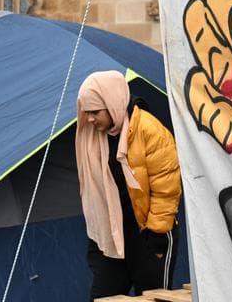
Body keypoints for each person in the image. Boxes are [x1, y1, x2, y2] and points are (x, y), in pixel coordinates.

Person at [76, 71, 181, 297]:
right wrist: (97, 243)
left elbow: (166, 188)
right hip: (113, 234)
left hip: (149, 233)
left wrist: (157, 236)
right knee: (102, 297)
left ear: (112, 104)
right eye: (87, 113)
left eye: (95, 112)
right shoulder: (95, 137)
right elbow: (96, 194)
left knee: (153, 298)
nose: (90, 119)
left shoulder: (150, 131)